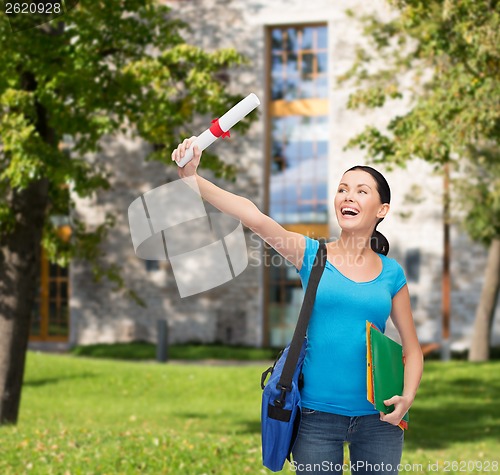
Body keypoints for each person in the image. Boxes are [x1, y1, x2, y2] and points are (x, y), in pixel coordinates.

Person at [172, 137, 423, 475]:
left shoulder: (392, 273)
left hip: (379, 420)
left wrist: (406, 397)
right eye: (343, 189)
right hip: (316, 419)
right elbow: (255, 217)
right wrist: (192, 179)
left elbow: (413, 349)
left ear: (382, 210)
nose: (348, 195)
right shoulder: (311, 254)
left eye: (362, 191)